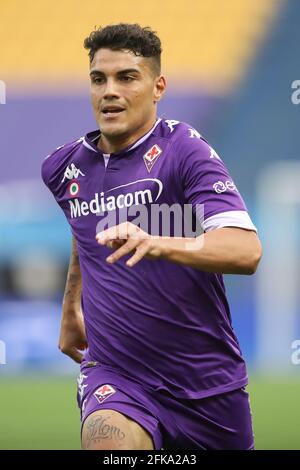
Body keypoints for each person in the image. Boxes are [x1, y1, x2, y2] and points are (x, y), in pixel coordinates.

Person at [42, 23, 262, 450]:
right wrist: (71, 306)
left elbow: (246, 251)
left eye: (127, 77)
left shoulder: (185, 151)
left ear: (157, 86)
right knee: (109, 445)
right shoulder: (63, 167)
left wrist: (159, 242)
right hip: (117, 376)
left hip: (207, 385)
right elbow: (82, 225)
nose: (109, 91)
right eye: (98, 79)